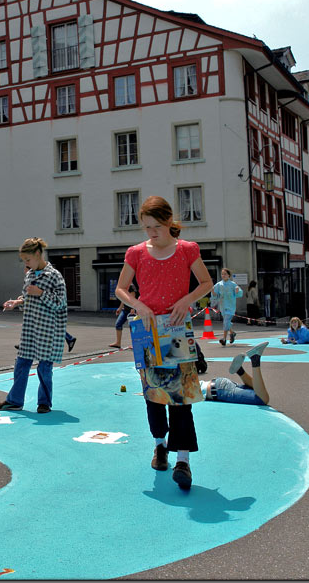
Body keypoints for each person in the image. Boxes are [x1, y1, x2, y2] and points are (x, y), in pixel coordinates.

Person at [115, 195, 213, 491]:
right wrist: (139, 306)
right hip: (146, 331)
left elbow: (207, 283)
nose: (151, 233)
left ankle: (183, 459)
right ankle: (160, 446)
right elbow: (121, 289)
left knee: (181, 395)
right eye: (146, 228)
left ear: (169, 222)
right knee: (153, 393)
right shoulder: (136, 253)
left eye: (156, 226)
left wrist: (186, 300)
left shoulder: (187, 250)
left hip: (175, 330)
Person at [0, 238, 68, 414]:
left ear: (38, 254)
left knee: (44, 367)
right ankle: (14, 400)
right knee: (21, 363)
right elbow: (27, 298)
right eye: (24, 261)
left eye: (28, 260)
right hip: (30, 328)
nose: (26, 264)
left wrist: (41, 293)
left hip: (47, 330)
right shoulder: (29, 275)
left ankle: (44, 403)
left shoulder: (54, 276)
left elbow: (61, 303)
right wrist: (16, 302)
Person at [200, 343, 271, 406]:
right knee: (259, 390)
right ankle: (240, 371)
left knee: (263, 399)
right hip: (218, 384)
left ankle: (255, 358)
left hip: (219, 390)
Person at [211, 268, 243, 346]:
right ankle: (232, 333)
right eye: (222, 274)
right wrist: (213, 292)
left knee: (226, 322)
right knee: (227, 322)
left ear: (229, 275)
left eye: (225, 274)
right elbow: (215, 295)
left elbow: (239, 293)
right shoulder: (219, 285)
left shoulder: (233, 284)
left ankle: (224, 339)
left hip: (231, 306)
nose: (223, 275)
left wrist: (237, 291)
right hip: (222, 306)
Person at [110, 284, 137, 348]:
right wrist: (119, 308)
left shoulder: (131, 287)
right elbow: (123, 300)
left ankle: (134, 344)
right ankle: (118, 343)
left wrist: (133, 308)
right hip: (124, 310)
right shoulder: (123, 287)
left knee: (132, 327)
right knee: (118, 324)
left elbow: (133, 298)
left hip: (131, 310)